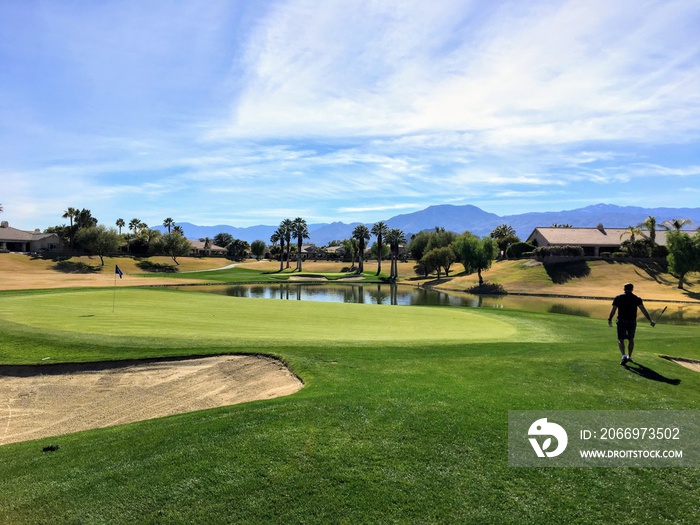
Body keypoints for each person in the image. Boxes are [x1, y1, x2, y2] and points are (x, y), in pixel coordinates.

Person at [608, 283, 655, 365]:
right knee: (631, 339)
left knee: (620, 339)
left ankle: (623, 356)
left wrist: (610, 319)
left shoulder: (618, 297)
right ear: (632, 289)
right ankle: (629, 356)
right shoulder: (636, 298)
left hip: (621, 320)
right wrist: (650, 320)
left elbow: (614, 310)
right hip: (632, 321)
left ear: (624, 289)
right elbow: (643, 310)